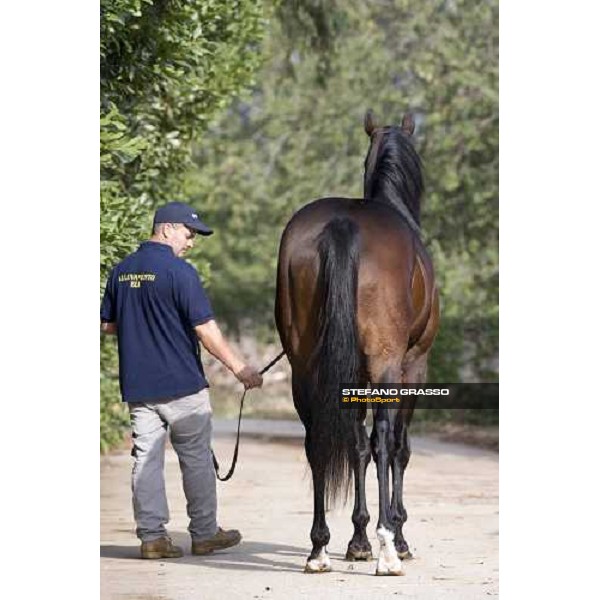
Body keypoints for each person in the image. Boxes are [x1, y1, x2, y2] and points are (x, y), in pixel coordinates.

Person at [100, 201, 263, 559]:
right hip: (183, 388)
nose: (190, 243)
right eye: (189, 235)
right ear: (167, 229)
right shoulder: (180, 272)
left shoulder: (121, 271)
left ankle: (153, 538)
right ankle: (204, 534)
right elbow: (205, 330)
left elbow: (107, 324)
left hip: (139, 388)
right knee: (197, 460)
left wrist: (140, 324)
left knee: (146, 462)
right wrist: (241, 369)